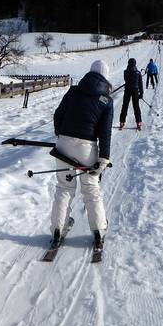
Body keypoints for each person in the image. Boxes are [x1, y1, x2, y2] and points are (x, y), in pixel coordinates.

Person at [51, 60, 113, 249]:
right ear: (106, 77)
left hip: (63, 146)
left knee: (64, 188)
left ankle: (58, 229)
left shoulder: (73, 91)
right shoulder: (106, 100)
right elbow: (105, 132)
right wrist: (104, 157)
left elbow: (58, 115)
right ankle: (99, 231)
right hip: (87, 149)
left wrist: (61, 134)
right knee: (91, 189)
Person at [119, 58, 143, 131]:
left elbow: (125, 80)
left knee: (125, 105)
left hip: (127, 90)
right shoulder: (138, 72)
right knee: (136, 106)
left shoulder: (125, 72)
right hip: (135, 90)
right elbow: (140, 84)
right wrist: (141, 93)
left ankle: (122, 122)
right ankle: (138, 122)